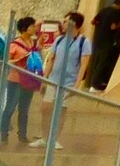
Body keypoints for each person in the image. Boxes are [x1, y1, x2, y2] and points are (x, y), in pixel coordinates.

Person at [33, 11, 92, 150]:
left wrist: (77, 85)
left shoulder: (84, 42)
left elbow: (84, 65)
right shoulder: (59, 40)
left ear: (73, 24)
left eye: (65, 21)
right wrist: (44, 79)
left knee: (61, 111)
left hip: (68, 82)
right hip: (54, 79)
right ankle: (45, 137)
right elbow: (51, 59)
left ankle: (54, 139)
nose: (63, 24)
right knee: (46, 108)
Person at [0, 17, 40, 146]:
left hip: (29, 79)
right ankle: (3, 134)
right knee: (10, 107)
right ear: (24, 28)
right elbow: (6, 61)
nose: (34, 28)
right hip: (16, 79)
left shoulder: (33, 43)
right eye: (32, 26)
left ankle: (22, 135)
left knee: (24, 109)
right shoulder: (14, 44)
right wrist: (18, 61)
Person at [89, 0, 120, 91]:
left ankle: (92, 82)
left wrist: (101, 25)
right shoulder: (116, 13)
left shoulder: (104, 10)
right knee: (103, 62)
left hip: (98, 39)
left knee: (96, 61)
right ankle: (95, 85)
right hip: (107, 41)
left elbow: (93, 21)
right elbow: (113, 27)